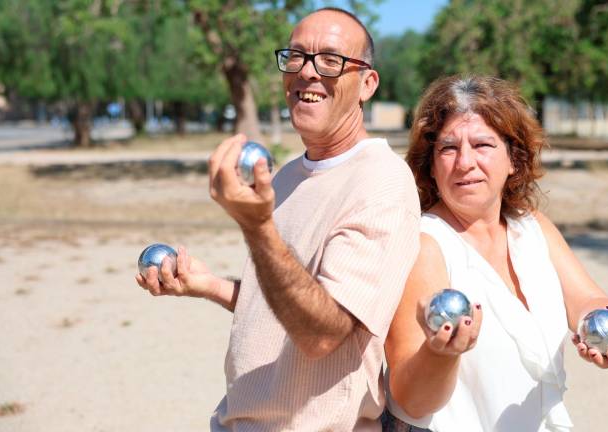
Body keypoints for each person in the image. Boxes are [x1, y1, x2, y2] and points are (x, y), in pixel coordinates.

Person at [135, 8, 420, 431]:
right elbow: (288, 300)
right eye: (296, 56)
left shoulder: (382, 182)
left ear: (367, 84)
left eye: (331, 60)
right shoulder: (287, 174)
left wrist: (256, 227)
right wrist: (210, 286)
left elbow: (323, 333)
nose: (307, 72)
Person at [382, 75, 608, 432]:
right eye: (448, 149)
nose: (464, 162)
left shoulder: (531, 227)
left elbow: (586, 300)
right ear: (431, 167)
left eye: (482, 144)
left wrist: (607, 317)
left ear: (514, 159)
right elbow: (410, 400)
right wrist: (440, 354)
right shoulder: (424, 245)